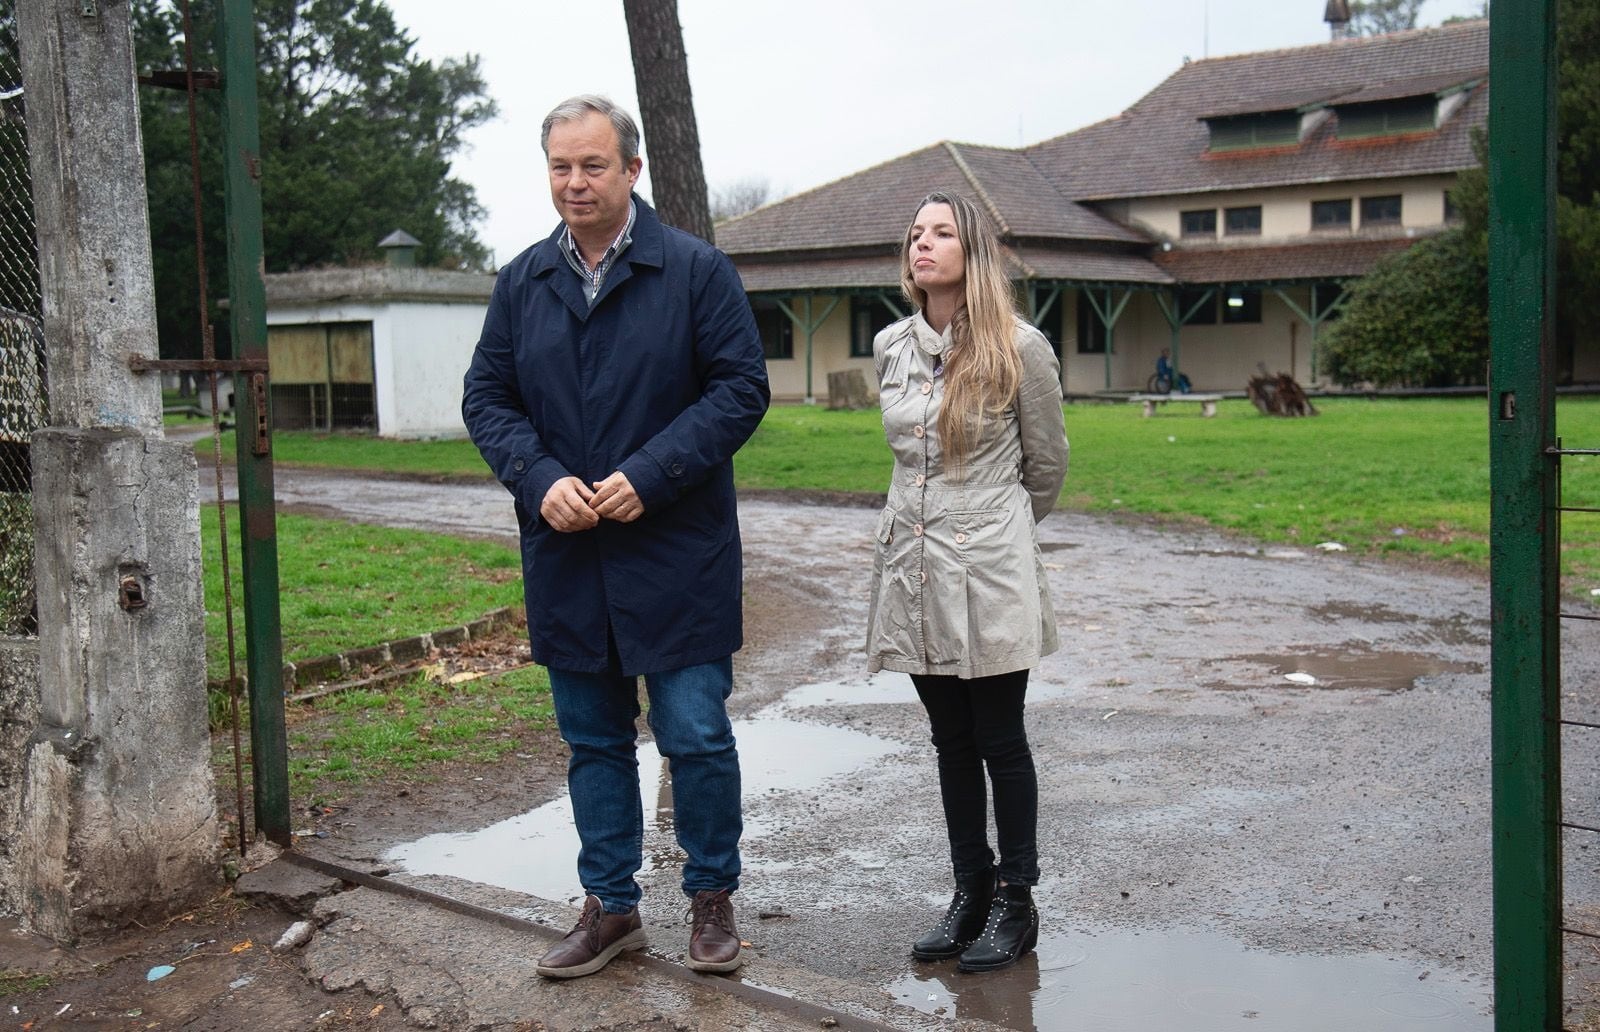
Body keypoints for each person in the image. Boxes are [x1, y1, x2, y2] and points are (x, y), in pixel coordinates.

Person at [461, 95, 770, 980]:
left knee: (694, 735)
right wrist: (538, 477)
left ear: (632, 170)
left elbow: (740, 389)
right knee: (593, 740)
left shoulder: (696, 271)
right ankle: (611, 907)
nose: (574, 183)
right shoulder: (522, 282)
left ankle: (711, 898)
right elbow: (487, 398)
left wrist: (654, 473)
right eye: (560, 166)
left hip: (677, 551)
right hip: (569, 552)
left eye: (592, 166)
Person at [865, 191, 1068, 973]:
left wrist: (994, 530)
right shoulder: (891, 345)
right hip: (913, 567)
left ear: (973, 251)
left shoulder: (1020, 348)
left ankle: (1017, 901)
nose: (923, 244)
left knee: (998, 736)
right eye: (915, 233)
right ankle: (970, 891)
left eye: (942, 232)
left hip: (987, 567)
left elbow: (1046, 467)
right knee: (949, 738)